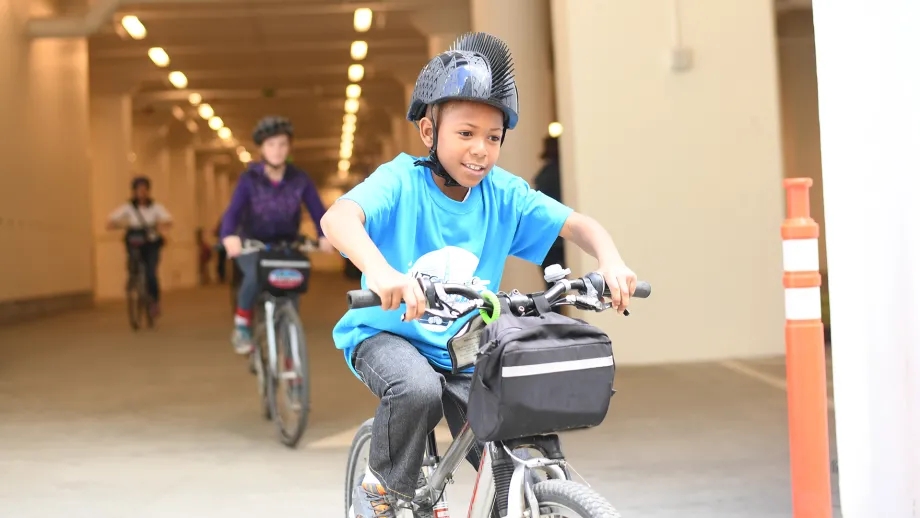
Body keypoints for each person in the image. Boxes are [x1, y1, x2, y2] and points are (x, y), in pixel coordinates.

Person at [320, 32, 639, 518]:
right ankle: (381, 490)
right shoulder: (401, 180)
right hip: (387, 334)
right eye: (465, 133)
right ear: (429, 132)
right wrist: (382, 272)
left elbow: (578, 225)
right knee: (418, 390)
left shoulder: (504, 193)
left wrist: (610, 260)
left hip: (466, 342)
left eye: (493, 138)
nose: (481, 150)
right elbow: (338, 219)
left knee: (511, 429)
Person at [219, 115, 334, 354]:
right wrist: (229, 235)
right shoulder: (249, 179)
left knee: (292, 284)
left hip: (286, 244)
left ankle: (291, 351)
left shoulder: (299, 179)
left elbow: (317, 211)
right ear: (261, 148)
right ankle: (242, 325)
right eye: (271, 144)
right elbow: (233, 212)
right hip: (252, 244)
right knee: (253, 275)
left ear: (289, 147)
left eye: (282, 144)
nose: (277, 150)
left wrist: (325, 235)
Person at [106, 176, 173, 317]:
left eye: (144, 190)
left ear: (148, 191)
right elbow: (112, 219)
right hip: (135, 240)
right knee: (132, 260)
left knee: (150, 273)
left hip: (151, 243)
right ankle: (133, 278)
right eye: (138, 190)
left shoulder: (156, 207)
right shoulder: (128, 207)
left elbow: (168, 220)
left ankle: (154, 301)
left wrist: (162, 224)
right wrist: (114, 224)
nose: (141, 193)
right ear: (134, 192)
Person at [533, 135, 565, 296]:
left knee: (551, 292)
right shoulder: (559, 174)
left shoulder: (544, 175)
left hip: (547, 240)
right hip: (558, 240)